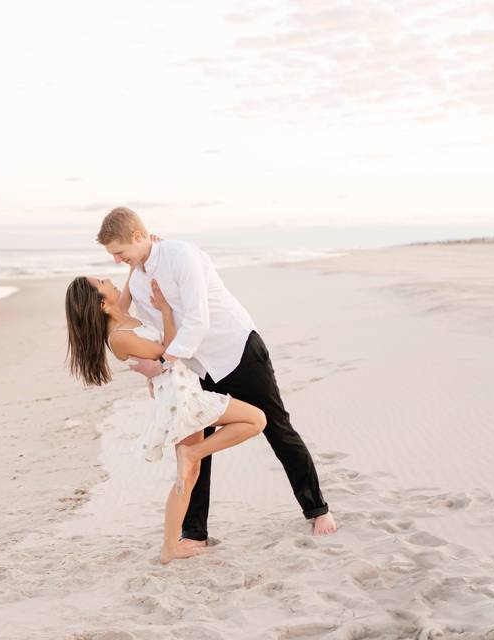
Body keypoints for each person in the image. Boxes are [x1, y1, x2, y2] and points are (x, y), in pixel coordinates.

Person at [97, 206, 338, 539]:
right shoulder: (137, 283)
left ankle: (317, 510)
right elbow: (158, 329)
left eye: (120, 252)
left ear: (138, 236)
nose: (117, 260)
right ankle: (194, 532)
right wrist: (160, 372)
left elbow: (198, 319)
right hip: (197, 366)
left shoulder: (181, 255)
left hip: (237, 351)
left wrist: (165, 363)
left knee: (278, 429)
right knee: (198, 446)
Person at [65, 275, 267, 564]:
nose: (108, 279)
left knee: (190, 474)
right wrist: (166, 312)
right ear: (101, 304)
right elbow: (172, 352)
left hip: (181, 389)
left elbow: (132, 278)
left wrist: (138, 256)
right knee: (255, 420)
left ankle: (170, 546)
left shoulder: (119, 311)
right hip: (180, 397)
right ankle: (190, 462)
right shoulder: (119, 336)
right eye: (101, 282)